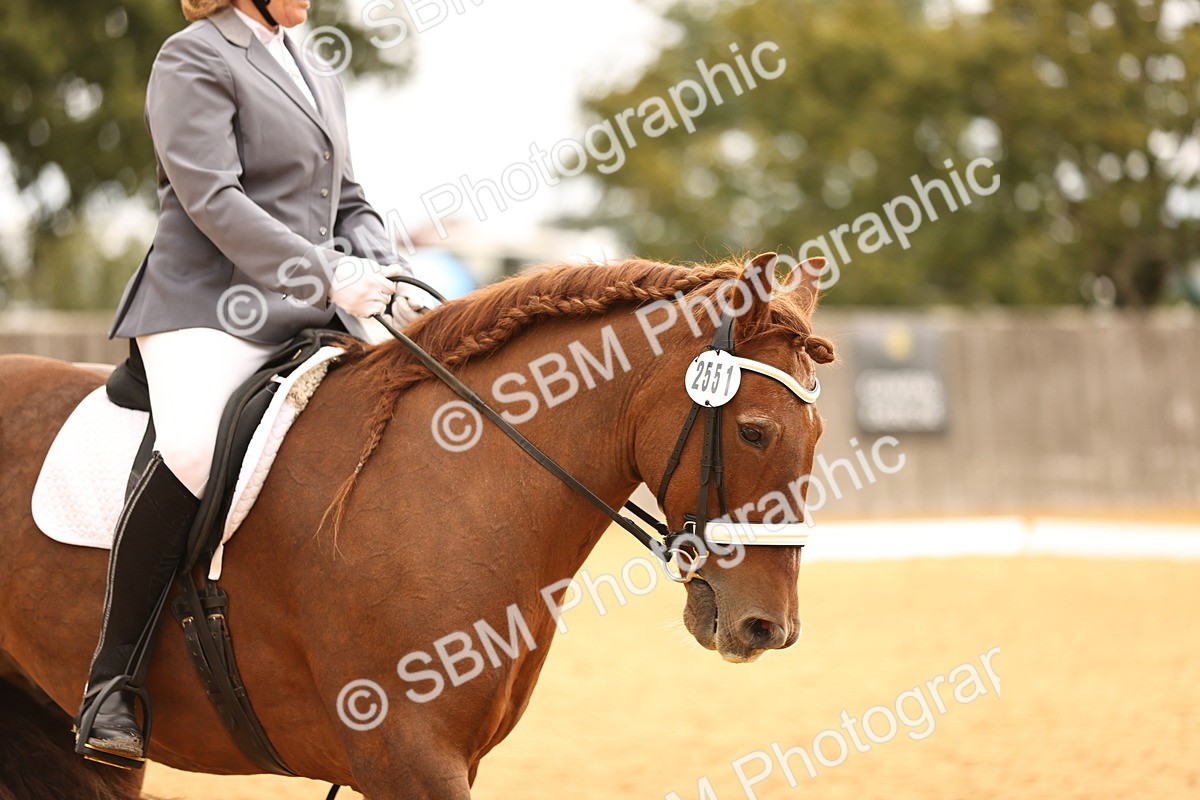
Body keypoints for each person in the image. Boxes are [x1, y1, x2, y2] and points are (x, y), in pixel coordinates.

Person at [75, 0, 421, 767]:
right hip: (208, 306)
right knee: (193, 450)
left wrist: (380, 266)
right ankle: (112, 683)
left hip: (309, 305)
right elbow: (213, 199)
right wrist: (327, 271)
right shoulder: (193, 56)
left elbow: (350, 200)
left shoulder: (313, 63)